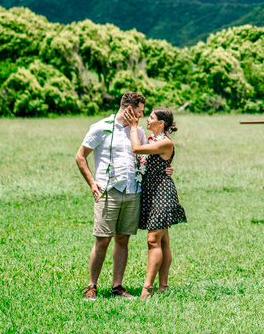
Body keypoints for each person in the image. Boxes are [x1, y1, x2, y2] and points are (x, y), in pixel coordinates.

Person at [75, 92, 172, 301]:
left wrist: (166, 169)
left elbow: (149, 157)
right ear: (129, 110)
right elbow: (80, 156)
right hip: (108, 191)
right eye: (140, 111)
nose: (143, 115)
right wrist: (92, 182)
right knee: (102, 240)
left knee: (122, 240)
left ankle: (117, 286)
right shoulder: (101, 127)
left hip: (132, 192)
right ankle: (92, 286)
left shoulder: (138, 133)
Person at [124, 106, 186, 300]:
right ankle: (164, 287)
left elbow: (136, 148)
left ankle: (147, 288)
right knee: (163, 240)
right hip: (151, 192)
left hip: (162, 193)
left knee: (153, 240)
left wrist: (133, 127)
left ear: (161, 123)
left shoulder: (165, 142)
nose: (147, 120)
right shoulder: (154, 140)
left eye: (150, 118)